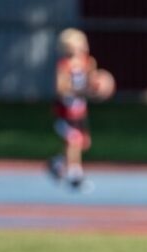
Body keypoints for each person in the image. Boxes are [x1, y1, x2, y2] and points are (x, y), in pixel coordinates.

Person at [47, 28, 98, 191]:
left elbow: (93, 82)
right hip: (64, 112)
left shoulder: (88, 63)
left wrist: (98, 87)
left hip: (79, 112)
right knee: (74, 140)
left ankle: (57, 163)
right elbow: (61, 89)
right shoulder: (64, 66)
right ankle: (75, 176)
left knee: (83, 143)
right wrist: (78, 91)